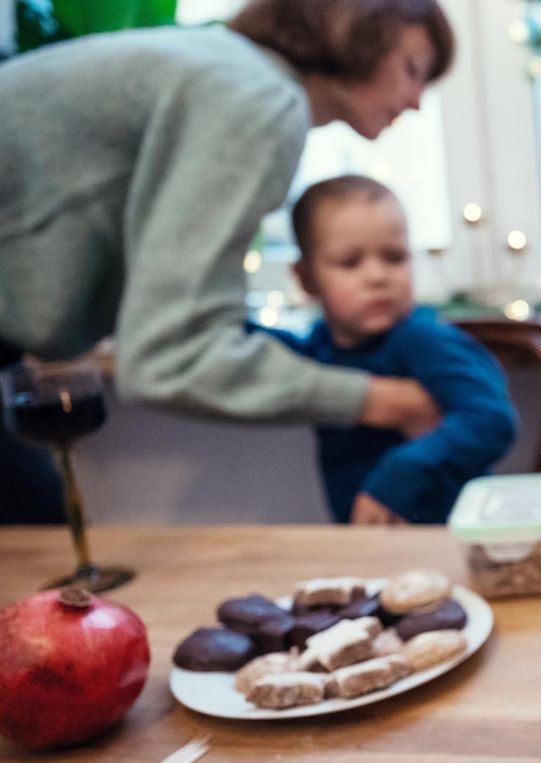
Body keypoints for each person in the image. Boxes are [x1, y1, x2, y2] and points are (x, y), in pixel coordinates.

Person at [0, 0, 456, 520]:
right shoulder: (256, 99)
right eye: (413, 70)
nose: (417, 102)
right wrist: (383, 400)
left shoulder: (222, 68)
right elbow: (170, 359)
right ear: (358, 33)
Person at [255, 176, 517, 525]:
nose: (377, 276)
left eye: (394, 258)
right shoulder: (320, 345)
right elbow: (265, 350)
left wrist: (404, 468)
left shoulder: (423, 338)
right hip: (368, 543)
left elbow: (492, 419)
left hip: (446, 539)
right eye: (350, 263)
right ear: (305, 279)